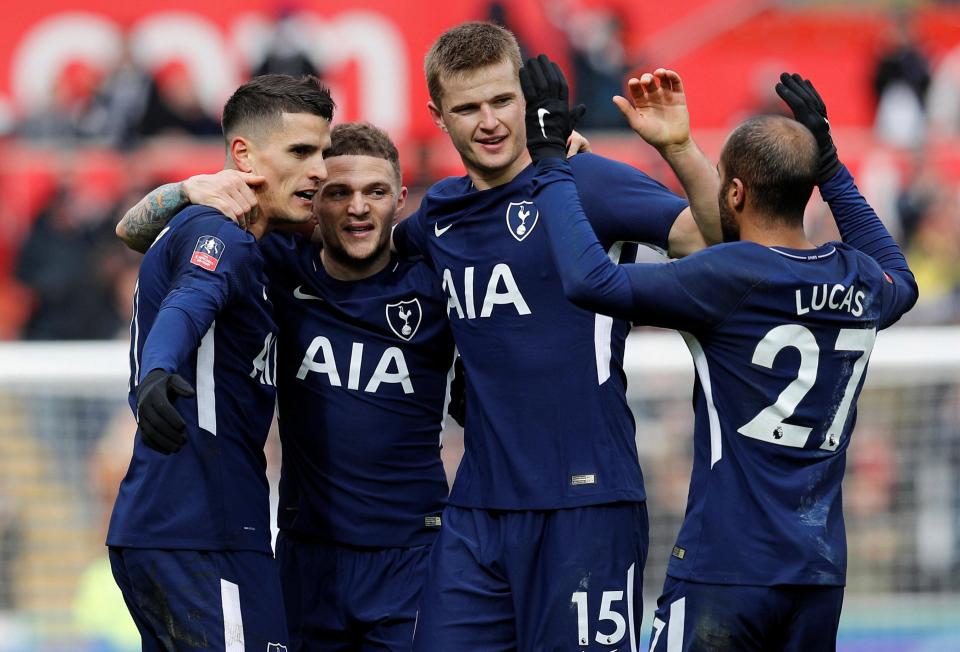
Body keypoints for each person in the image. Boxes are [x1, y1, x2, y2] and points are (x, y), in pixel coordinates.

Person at [525, 63, 918, 650]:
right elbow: (902, 278)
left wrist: (552, 165)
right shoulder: (861, 279)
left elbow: (591, 283)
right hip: (817, 573)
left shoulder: (725, 278)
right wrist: (831, 166)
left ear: (734, 192)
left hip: (725, 569)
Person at [390, 23, 720, 651]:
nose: (488, 122)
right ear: (437, 115)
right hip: (477, 510)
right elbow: (364, 267)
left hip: (586, 502)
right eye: (467, 108)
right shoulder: (438, 216)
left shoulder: (587, 183)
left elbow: (713, 243)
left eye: (502, 101)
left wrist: (679, 148)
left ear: (525, 96)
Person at [116, 122, 458, 651]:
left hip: (412, 557)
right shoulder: (273, 266)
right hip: (306, 556)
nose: (358, 207)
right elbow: (136, 233)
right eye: (338, 192)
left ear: (401, 199)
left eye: (376, 192)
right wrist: (187, 190)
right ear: (313, 200)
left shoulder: (435, 281)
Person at [106, 73, 333, 651]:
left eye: (323, 153)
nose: (320, 172)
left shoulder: (238, 235)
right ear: (244, 156)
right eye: (301, 152)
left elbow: (127, 230)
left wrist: (183, 189)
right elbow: (189, 303)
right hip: (203, 526)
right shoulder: (222, 236)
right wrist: (158, 371)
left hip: (181, 526)